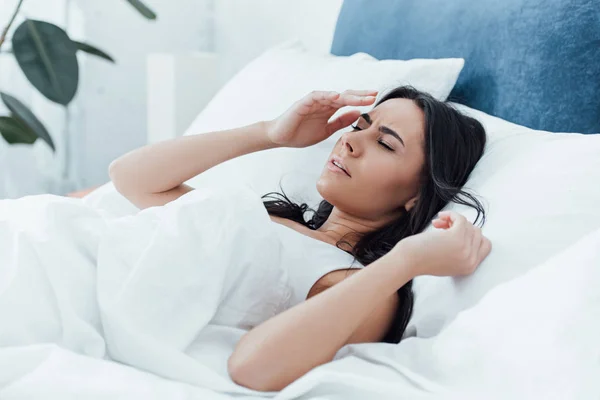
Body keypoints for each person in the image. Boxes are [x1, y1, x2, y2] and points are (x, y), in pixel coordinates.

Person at [109, 86, 491, 392]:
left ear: (418, 196)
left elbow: (252, 368)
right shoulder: (271, 219)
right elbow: (129, 177)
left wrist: (407, 260)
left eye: (386, 143)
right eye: (359, 126)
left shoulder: (359, 284)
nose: (350, 142)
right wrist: (269, 133)